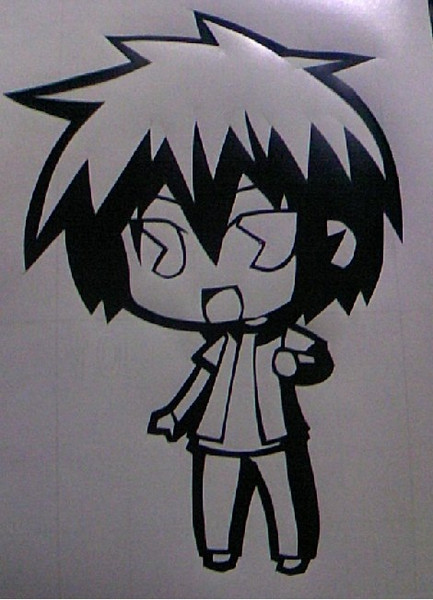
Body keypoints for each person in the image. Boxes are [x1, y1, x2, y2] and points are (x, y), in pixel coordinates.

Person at [7, 12, 402, 575]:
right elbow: (200, 381)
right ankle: (218, 549)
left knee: (282, 489)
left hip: (275, 433)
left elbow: (316, 361)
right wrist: (176, 414)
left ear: (335, 240)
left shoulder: (282, 334)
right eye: (162, 245)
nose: (217, 278)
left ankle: (292, 551)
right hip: (215, 434)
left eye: (261, 239)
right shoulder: (219, 347)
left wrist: (299, 363)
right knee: (216, 490)